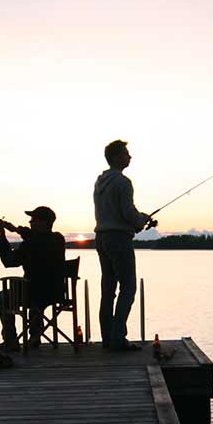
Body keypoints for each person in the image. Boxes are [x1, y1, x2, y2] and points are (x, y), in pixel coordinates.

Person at [93, 140, 157, 352]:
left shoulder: (100, 182)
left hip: (101, 238)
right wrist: (141, 221)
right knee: (128, 288)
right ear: (116, 157)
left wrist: (138, 220)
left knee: (108, 290)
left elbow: (119, 211)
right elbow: (127, 212)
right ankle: (118, 338)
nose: (130, 157)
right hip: (118, 239)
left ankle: (107, 338)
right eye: (126, 154)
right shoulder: (123, 182)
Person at [0, 206, 66, 351]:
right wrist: (16, 229)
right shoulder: (58, 239)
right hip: (55, 293)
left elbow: (9, 261)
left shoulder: (29, 244)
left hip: (33, 293)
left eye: (33, 219)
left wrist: (2, 234)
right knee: (37, 302)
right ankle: (35, 336)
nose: (30, 222)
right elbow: (39, 237)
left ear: (43, 222)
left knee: (2, 297)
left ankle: (11, 340)